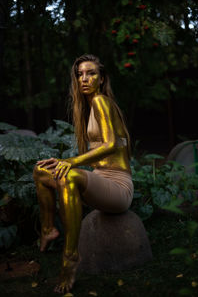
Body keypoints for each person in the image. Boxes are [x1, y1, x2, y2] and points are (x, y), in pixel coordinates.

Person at [33, 54, 133, 294]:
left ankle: (70, 257)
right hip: (100, 180)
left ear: (101, 78)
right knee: (40, 171)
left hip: (118, 186)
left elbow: (111, 144)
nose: (84, 79)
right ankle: (48, 229)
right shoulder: (87, 108)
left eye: (91, 73)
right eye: (80, 74)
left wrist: (71, 161)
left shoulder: (101, 101)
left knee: (68, 173)